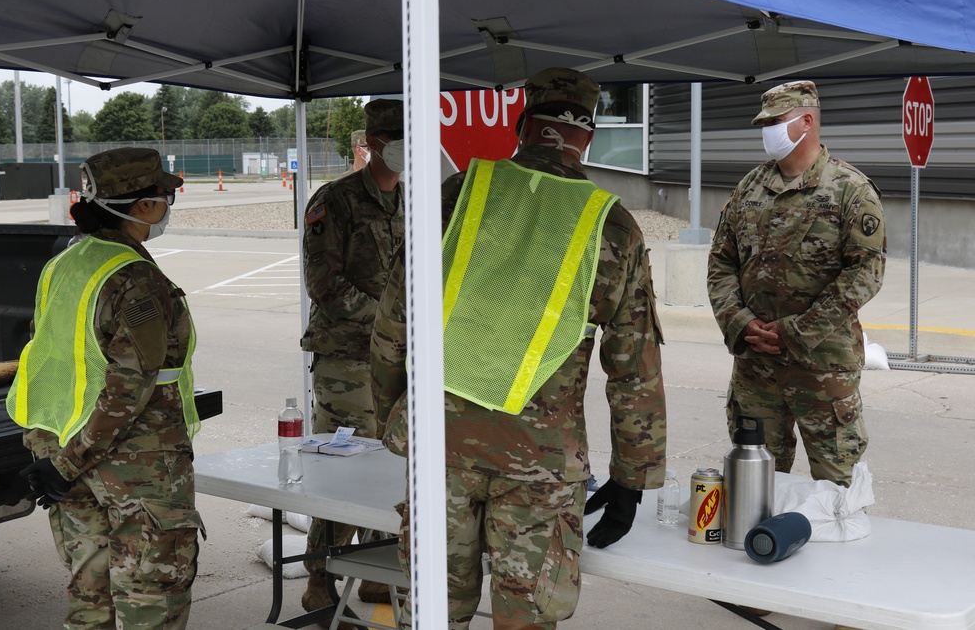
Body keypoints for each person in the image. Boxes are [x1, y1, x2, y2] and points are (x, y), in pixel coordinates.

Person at [371, 67, 667, 629]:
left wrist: (394, 414)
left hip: (441, 445)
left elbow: (394, 322)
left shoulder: (459, 193)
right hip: (541, 463)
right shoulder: (614, 226)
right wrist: (632, 477)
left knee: (432, 611)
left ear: (520, 124)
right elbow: (634, 369)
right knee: (526, 617)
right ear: (589, 138)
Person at [6, 147, 203, 629]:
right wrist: (70, 461)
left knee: (89, 599)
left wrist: (57, 461)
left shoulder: (67, 261)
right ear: (142, 206)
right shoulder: (135, 278)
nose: (168, 204)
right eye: (164, 194)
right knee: (149, 602)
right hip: (133, 468)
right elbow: (129, 385)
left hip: (63, 451)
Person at [707, 80, 886, 490]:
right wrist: (738, 320)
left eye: (775, 121)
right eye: (763, 123)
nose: (767, 131)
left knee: (837, 487)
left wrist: (796, 332)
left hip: (822, 368)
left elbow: (865, 273)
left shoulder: (850, 190)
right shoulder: (749, 188)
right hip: (756, 367)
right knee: (754, 485)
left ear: (807, 121)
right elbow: (721, 262)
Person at [300, 99, 405, 621]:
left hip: (395, 358)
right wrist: (391, 320)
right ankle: (319, 578)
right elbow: (325, 285)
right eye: (395, 136)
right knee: (347, 473)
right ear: (375, 141)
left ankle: (375, 575)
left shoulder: (411, 200)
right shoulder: (334, 201)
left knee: (393, 465)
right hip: (345, 359)